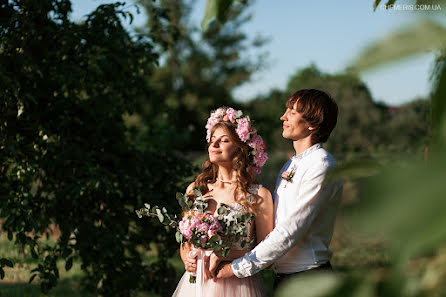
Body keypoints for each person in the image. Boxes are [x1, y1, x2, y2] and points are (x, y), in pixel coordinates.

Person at [210, 89, 343, 290]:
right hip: (285, 278)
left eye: (292, 112)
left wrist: (236, 268)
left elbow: (290, 230)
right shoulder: (291, 165)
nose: (283, 117)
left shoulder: (321, 165)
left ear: (312, 123)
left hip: (309, 279)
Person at [172, 107, 274, 297]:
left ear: (241, 148)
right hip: (196, 286)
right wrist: (187, 258)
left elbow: (266, 256)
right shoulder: (196, 190)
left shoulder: (259, 196)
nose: (214, 145)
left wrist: (225, 254)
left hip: (237, 285)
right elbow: (186, 241)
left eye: (224, 140)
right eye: (212, 140)